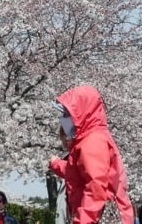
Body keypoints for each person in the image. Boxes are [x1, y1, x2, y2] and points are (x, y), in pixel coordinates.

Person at [49, 85, 133, 224]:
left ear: (80, 112)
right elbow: (77, 172)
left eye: (66, 114)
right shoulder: (90, 139)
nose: (63, 119)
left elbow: (96, 185)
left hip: (96, 217)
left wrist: (84, 220)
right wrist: (56, 164)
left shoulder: (92, 140)